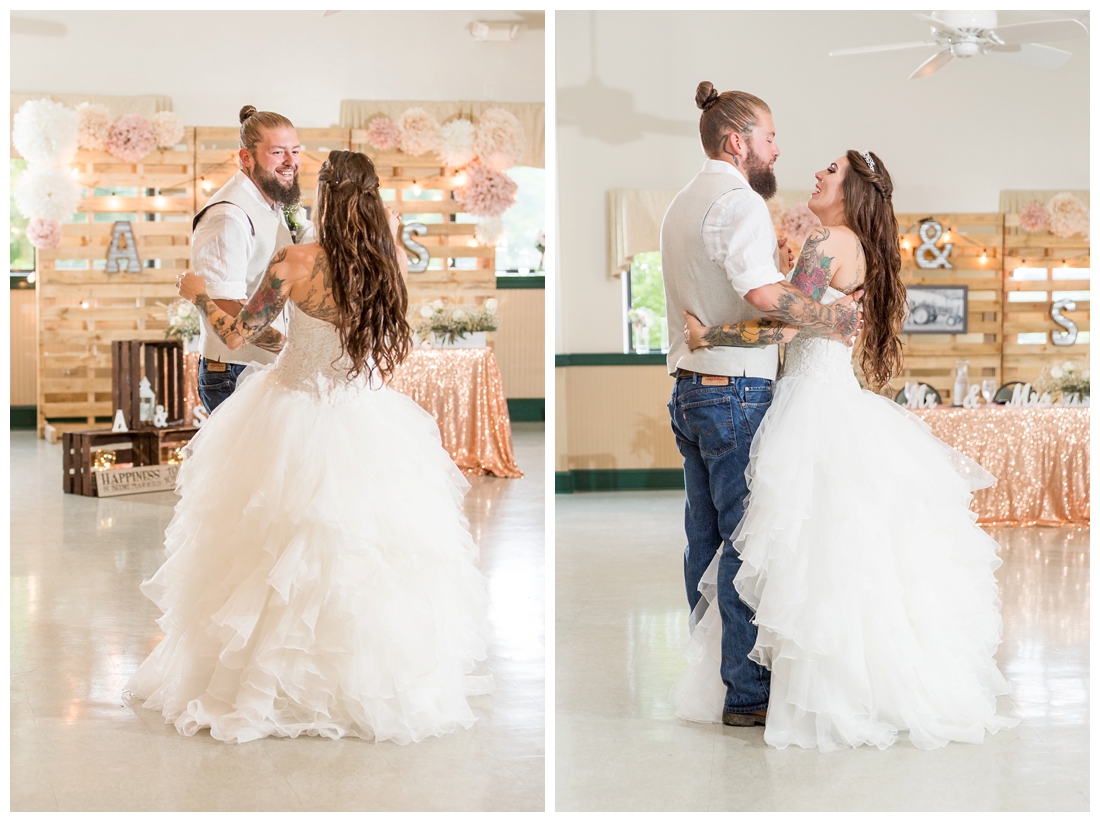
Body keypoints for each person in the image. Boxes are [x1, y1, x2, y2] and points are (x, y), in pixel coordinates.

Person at [124, 150, 492, 744]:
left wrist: (197, 292)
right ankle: (354, 687)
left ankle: (266, 687)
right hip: (363, 418)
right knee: (360, 552)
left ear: (324, 196)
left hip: (288, 414)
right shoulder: (386, 267)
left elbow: (240, 334)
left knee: (272, 553)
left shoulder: (295, 261)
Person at [671, 149, 1019, 751]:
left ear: (851, 191)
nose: (816, 174)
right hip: (831, 394)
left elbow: (782, 325)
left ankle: (772, 688)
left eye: (829, 171)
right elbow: (814, 320)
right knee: (837, 549)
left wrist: (710, 335)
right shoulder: (858, 246)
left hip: (804, 403)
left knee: (778, 546)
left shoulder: (828, 241)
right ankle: (833, 682)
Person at [660, 82, 861, 728]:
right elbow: (763, 298)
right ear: (737, 141)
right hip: (737, 392)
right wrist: (828, 315)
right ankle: (747, 692)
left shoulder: (680, 205)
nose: (779, 151)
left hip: (690, 387)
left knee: (703, 541)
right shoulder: (739, 202)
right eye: (770, 138)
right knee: (747, 544)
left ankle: (712, 663)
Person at [192, 105, 313, 413]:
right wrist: (291, 350)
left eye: (295, 151)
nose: (290, 162)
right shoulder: (228, 215)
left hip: (263, 369)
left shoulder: (271, 202)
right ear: (246, 158)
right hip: (235, 373)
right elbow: (224, 305)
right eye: (277, 152)